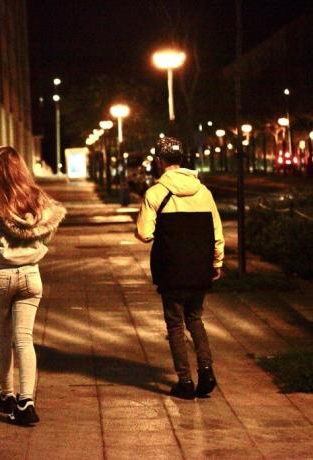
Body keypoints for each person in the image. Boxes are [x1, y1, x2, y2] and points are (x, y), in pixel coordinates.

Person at [0, 146, 66, 426]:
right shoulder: (38, 200)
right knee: (24, 338)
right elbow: (47, 234)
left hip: (0, 273)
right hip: (32, 275)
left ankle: (7, 394)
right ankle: (27, 401)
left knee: (2, 337)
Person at [135, 136, 225, 400]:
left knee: (175, 325)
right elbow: (217, 232)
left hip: (171, 269)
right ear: (182, 159)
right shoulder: (204, 192)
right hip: (199, 268)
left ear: (160, 161)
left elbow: (144, 233)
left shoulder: (155, 193)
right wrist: (216, 262)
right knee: (195, 318)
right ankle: (206, 370)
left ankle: (185, 381)